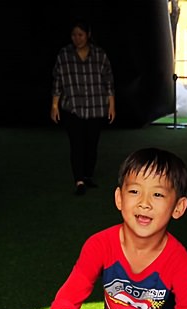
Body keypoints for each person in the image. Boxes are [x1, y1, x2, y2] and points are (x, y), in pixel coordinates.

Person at [44, 148, 187, 309]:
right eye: (134, 191)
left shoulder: (179, 261)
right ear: (119, 198)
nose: (145, 202)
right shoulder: (100, 245)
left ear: (178, 207)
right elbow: (71, 292)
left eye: (158, 194)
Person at [50, 20, 115, 196]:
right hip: (73, 108)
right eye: (73, 35)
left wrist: (112, 106)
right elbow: (58, 82)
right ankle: (79, 179)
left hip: (95, 107)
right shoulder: (64, 55)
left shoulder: (99, 55)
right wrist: (54, 106)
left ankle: (87, 175)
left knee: (91, 144)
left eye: (80, 34)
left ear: (88, 35)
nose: (77, 38)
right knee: (76, 144)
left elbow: (108, 82)